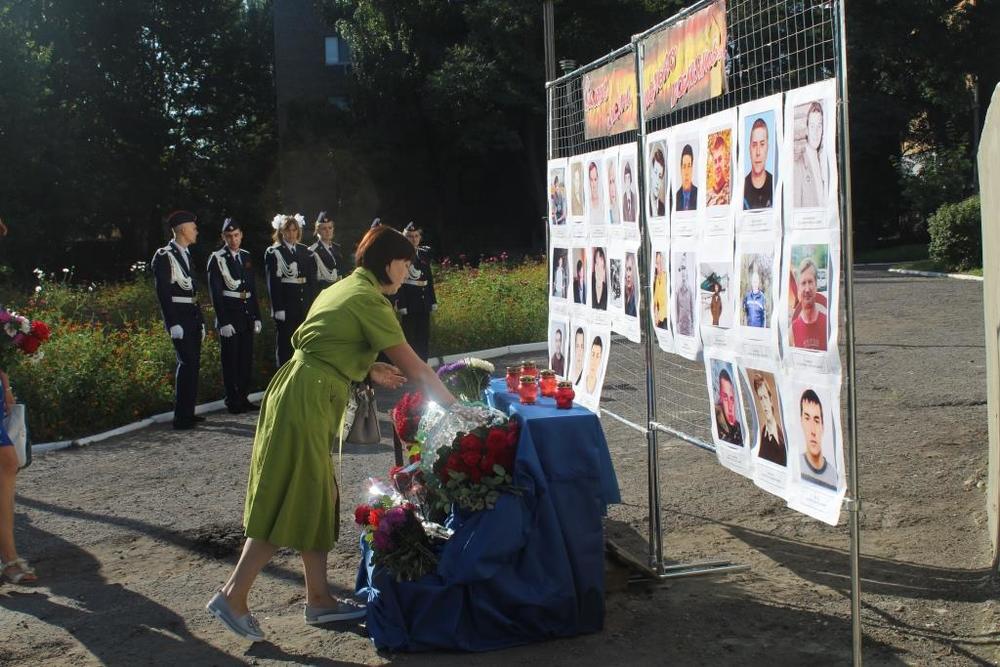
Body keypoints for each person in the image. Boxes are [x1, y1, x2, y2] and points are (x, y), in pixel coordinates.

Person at [206, 226, 458, 642]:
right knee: (292, 492)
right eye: (405, 263)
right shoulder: (369, 299)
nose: (408, 271)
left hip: (301, 389)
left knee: (317, 494)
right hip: (307, 397)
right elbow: (416, 367)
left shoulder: (345, 286)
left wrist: (367, 368)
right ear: (388, 263)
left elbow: (323, 342)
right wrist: (456, 409)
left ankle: (319, 599)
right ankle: (233, 596)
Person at [151, 210, 206, 430]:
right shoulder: (164, 255)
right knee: (186, 363)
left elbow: (192, 291)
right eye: (193, 228)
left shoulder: (185, 254)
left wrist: (201, 320)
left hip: (191, 317)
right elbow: (163, 292)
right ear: (183, 229)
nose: (196, 231)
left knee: (193, 365)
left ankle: (188, 412)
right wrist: (172, 322)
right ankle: (181, 417)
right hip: (180, 319)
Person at [207, 218, 263, 415]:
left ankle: (243, 397)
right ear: (223, 237)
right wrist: (223, 321)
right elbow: (216, 293)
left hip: (246, 316)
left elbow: (251, 289)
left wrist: (257, 316)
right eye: (229, 236)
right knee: (231, 361)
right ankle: (232, 400)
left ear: (241, 235)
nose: (233, 239)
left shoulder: (246, 256)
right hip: (230, 318)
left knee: (245, 360)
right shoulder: (217, 258)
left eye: (236, 235)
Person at [265, 214, 316, 368]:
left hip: (303, 304)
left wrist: (312, 304)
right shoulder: (274, 252)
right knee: (285, 346)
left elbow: (310, 281)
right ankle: (283, 376)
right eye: (288, 230)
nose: (292, 234)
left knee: (302, 344)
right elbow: (273, 283)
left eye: (294, 230)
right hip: (287, 306)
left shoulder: (304, 250)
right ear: (281, 232)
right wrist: (278, 307)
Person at [395, 222, 438, 361]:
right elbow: (399, 282)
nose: (413, 239)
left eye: (416, 236)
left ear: (420, 238)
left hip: (424, 302)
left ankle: (423, 364)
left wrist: (433, 300)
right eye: (410, 236)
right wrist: (401, 304)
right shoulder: (401, 256)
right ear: (405, 237)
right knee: (409, 338)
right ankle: (410, 365)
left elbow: (428, 279)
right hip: (410, 302)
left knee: (423, 337)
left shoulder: (423, 254)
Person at [799, 389, 837, 489]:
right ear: (801, 422)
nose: (812, 431)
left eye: (816, 421)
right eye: (807, 419)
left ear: (822, 426)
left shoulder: (834, 477)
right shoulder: (795, 466)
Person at [793, 101, 828, 208]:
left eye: (819, 126)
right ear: (807, 130)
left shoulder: (822, 162)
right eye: (812, 126)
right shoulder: (798, 164)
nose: (816, 132)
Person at [790, 257, 828, 350]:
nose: (807, 289)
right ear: (799, 288)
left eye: (810, 282)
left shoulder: (828, 325)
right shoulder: (792, 331)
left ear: (816, 285)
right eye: (803, 283)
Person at [752, 373, 786, 466]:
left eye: (765, 397)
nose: (764, 404)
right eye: (761, 398)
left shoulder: (783, 435)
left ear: (771, 400)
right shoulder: (762, 434)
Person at [743, 118, 774, 210]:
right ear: (749, 149)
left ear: (767, 148)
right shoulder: (741, 188)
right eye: (754, 145)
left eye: (762, 144)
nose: (758, 152)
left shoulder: (775, 185)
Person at [310, 212, 344, 293]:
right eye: (324, 228)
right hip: (324, 291)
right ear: (318, 230)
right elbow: (313, 279)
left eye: (330, 228)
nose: (328, 231)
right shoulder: (313, 250)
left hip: (339, 289)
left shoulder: (337, 247)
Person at [714, 368, 743, 446]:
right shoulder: (717, 423)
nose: (730, 407)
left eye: (732, 398)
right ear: (720, 398)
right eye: (725, 397)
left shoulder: (740, 428)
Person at [706, 133, 731, 207]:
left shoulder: (730, 192)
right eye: (715, 161)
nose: (717, 166)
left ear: (726, 160)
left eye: (720, 159)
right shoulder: (706, 196)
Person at [675, 144, 698, 211]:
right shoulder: (676, 197)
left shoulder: (698, 194)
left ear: (692, 168)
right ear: (680, 169)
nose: (686, 172)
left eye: (689, 166)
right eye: (684, 166)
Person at [675, 262, 694, 336]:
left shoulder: (690, 290)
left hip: (688, 321)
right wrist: (677, 321)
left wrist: (692, 321)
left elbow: (692, 307)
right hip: (681, 322)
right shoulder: (678, 291)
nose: (683, 278)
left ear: (687, 277)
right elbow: (677, 307)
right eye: (682, 276)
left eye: (685, 276)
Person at [649, 147, 666, 216]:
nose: (657, 182)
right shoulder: (645, 204)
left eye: (660, 176)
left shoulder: (662, 207)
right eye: (655, 173)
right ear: (651, 173)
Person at [653, 252, 668, 329]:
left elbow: (666, 303)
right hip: (659, 318)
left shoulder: (665, 278)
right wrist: (655, 312)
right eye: (657, 263)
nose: (659, 266)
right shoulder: (657, 279)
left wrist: (658, 315)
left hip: (665, 317)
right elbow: (655, 300)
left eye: (660, 263)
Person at [587, 161, 604, 225]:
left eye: (595, 179)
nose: (594, 184)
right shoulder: (587, 204)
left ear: (598, 179)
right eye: (591, 180)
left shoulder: (603, 202)